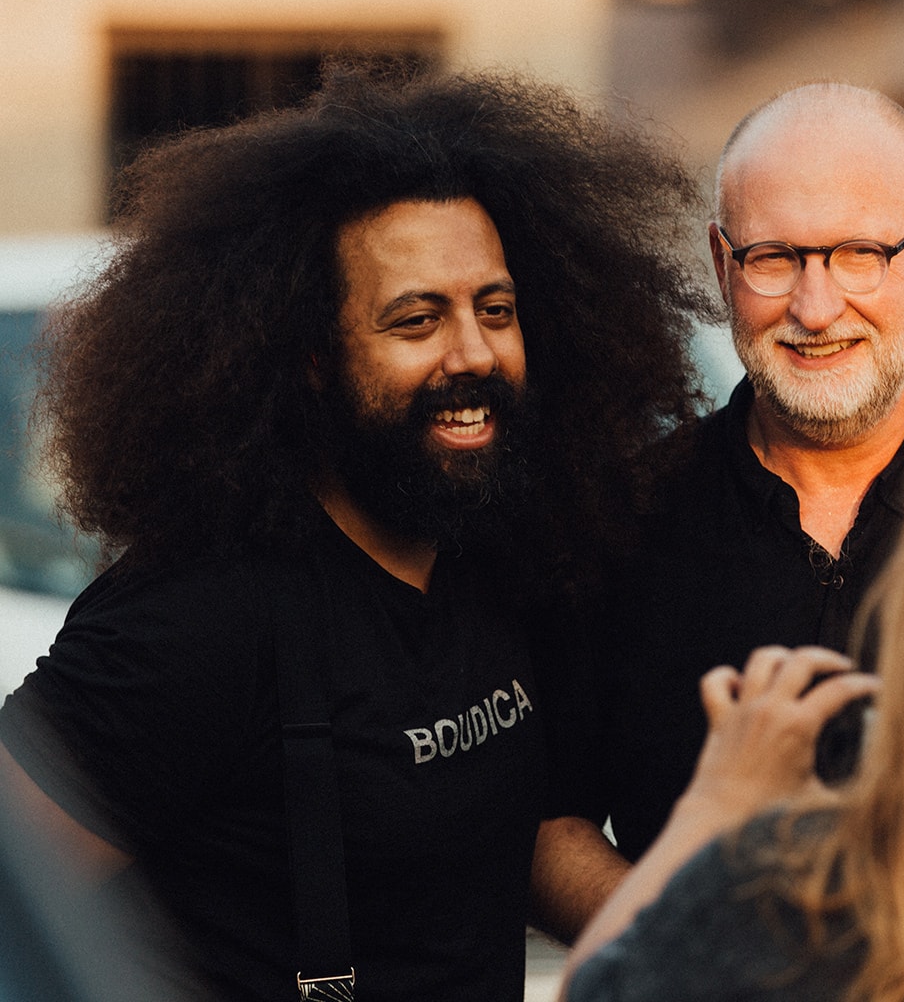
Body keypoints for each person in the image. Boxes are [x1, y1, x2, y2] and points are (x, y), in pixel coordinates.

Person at [0, 61, 718, 1002]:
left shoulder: (492, 552)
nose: (473, 353)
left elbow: (527, 835)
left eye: (494, 310)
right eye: (416, 320)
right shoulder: (193, 620)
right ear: (307, 359)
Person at [530, 81, 904, 939]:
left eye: (861, 253)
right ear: (723, 265)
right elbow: (547, 825)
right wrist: (688, 963)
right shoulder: (617, 520)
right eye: (775, 258)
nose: (816, 307)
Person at [559, 366, 904, 1002]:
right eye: (777, 258)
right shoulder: (627, 511)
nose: (818, 307)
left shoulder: (827, 913)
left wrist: (715, 805)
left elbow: (593, 989)